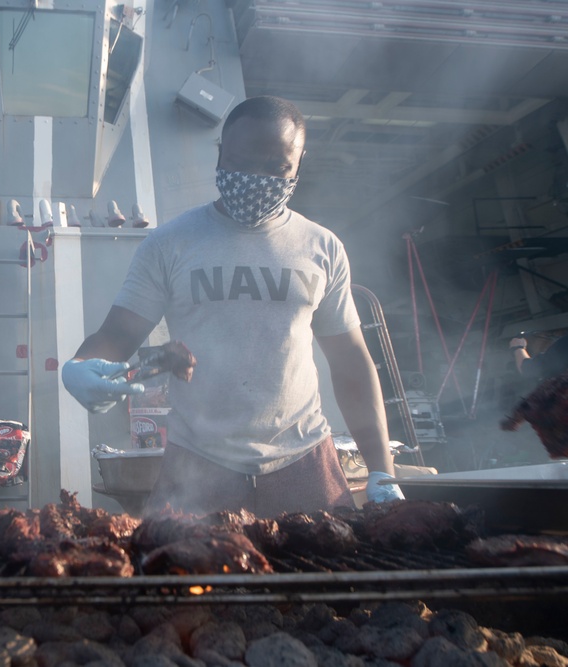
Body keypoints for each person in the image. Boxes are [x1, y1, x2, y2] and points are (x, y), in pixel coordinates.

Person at [62, 96, 402, 517]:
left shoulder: (322, 247)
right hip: (198, 464)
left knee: (326, 574)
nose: (256, 178)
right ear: (221, 154)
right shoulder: (170, 244)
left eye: (277, 168)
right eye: (242, 162)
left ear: (299, 163)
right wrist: (79, 365)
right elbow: (117, 335)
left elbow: (350, 361)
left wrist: (382, 471)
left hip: (303, 460)